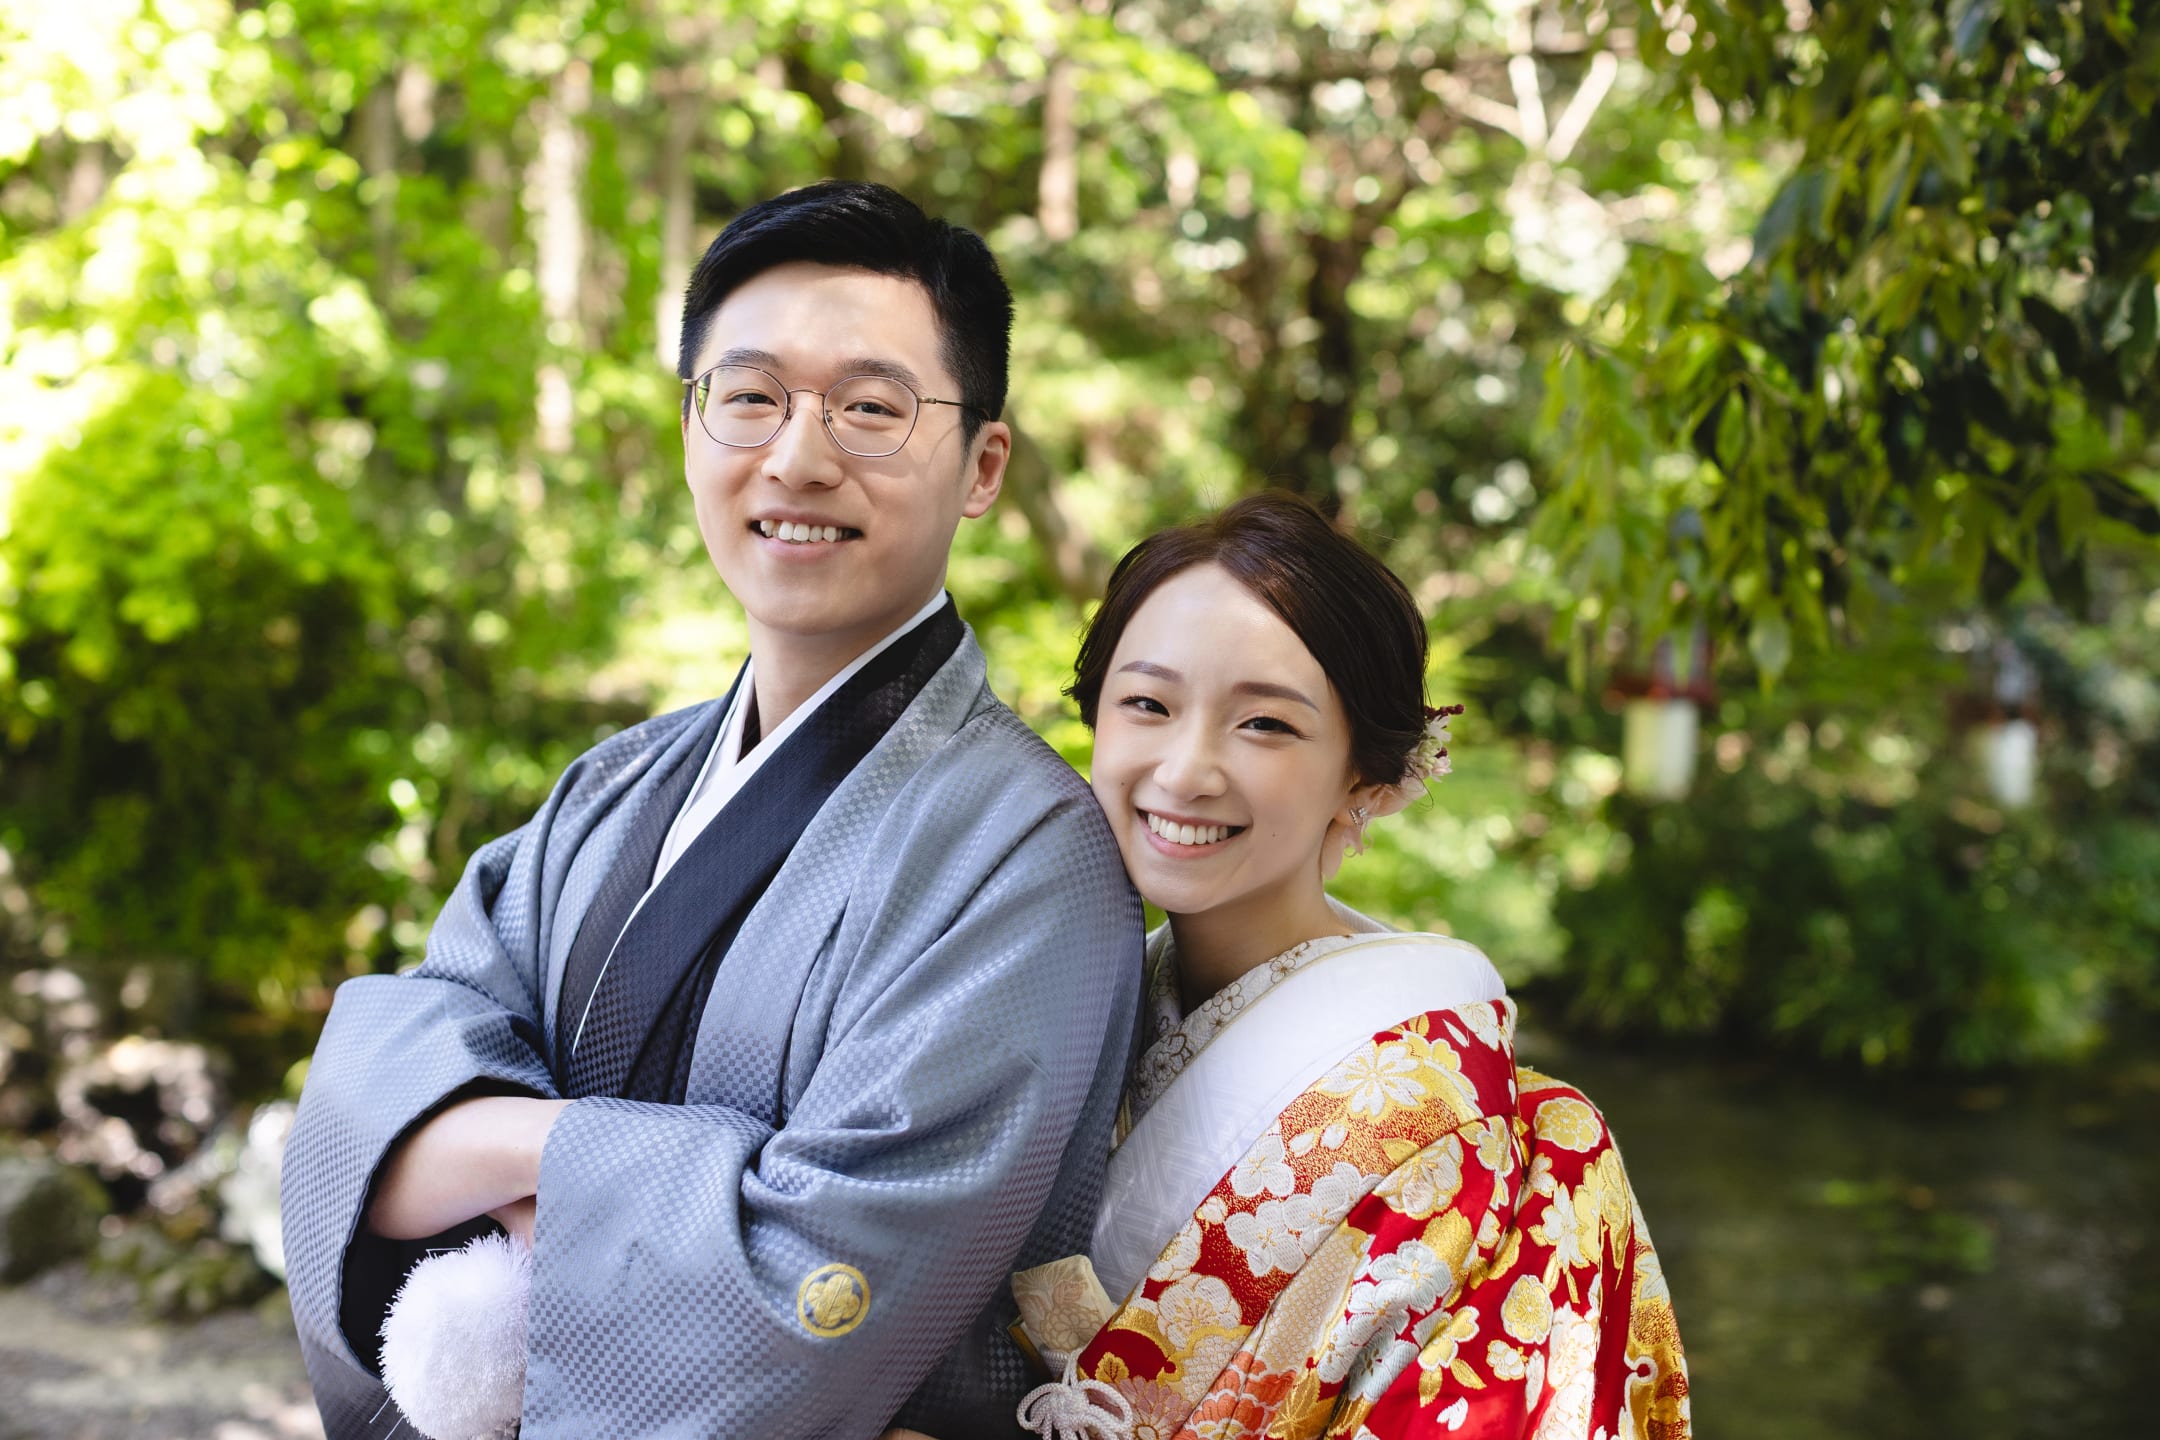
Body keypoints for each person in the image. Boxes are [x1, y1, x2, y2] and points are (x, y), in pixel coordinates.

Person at [279, 181, 1144, 1438]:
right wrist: (642, 1181)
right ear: (691, 425)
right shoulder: (612, 786)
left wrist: (524, 1155)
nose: (798, 458)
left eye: (870, 407)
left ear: (983, 466)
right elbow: (368, 1107)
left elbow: (820, 1288)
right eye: (748, 397)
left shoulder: (1028, 855)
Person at [1004, 493, 1691, 1439]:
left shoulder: (1447, 1126)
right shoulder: (1070, 1002)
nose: (1186, 770)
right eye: (1148, 705)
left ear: (1364, 777)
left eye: (1265, 725)